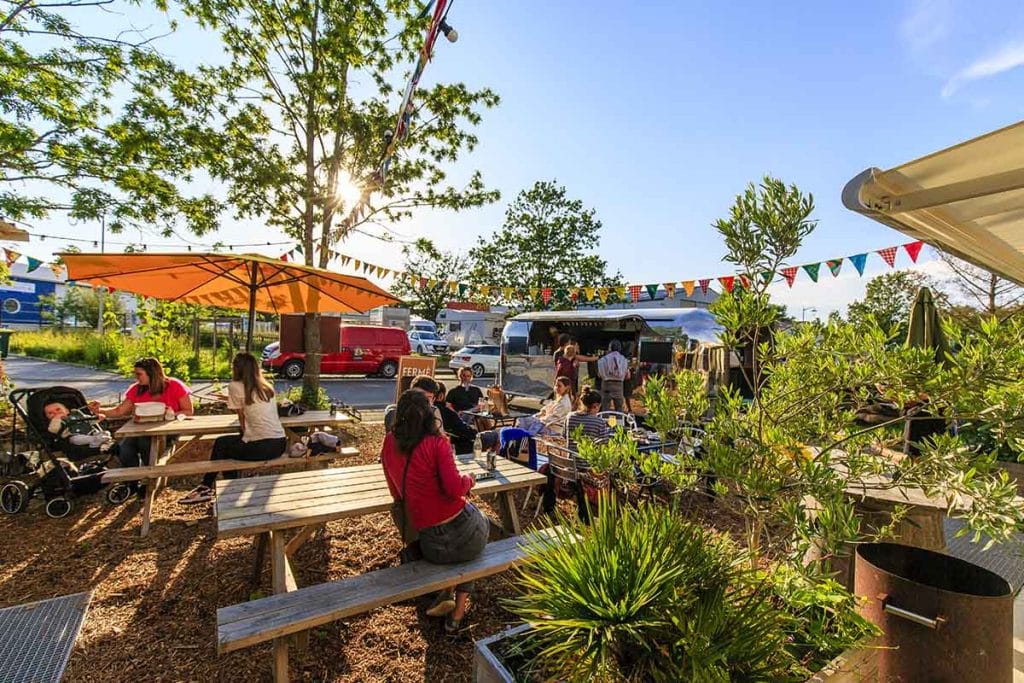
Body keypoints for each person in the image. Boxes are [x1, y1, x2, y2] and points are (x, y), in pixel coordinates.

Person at [381, 390, 489, 634]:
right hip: (459, 531)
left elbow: (394, 489)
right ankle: (458, 613)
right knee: (480, 533)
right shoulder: (437, 442)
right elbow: (453, 489)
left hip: (429, 541)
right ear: (429, 415)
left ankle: (447, 593)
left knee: (467, 544)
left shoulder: (390, 440)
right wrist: (469, 480)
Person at [179, 353, 287, 505]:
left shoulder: (235, 386)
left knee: (222, 445)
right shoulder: (266, 387)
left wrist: (244, 435)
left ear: (237, 369)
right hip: (280, 444)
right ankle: (225, 488)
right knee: (228, 445)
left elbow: (241, 417)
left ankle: (208, 487)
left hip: (261, 447)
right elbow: (250, 403)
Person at [94, 357, 193, 468]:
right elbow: (119, 411)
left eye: (139, 374)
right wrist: (98, 410)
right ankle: (134, 481)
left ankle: (149, 478)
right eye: (135, 374)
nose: (136, 377)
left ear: (152, 373)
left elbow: (188, 411)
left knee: (145, 443)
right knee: (124, 449)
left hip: (167, 430)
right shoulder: (136, 389)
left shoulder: (174, 385)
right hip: (140, 430)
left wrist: (168, 414)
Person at [434, 382, 497, 455]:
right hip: (459, 446)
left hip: (455, 435)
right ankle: (495, 460)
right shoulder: (447, 411)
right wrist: (474, 432)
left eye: (468, 376)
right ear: (441, 396)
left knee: (482, 421)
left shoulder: (423, 412)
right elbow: (465, 431)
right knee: (495, 435)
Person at [44, 401, 115, 452]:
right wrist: (56, 418)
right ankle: (95, 442)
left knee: (106, 432)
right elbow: (53, 429)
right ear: (47, 417)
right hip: (75, 436)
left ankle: (97, 439)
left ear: (67, 411)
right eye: (50, 413)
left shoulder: (76, 415)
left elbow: (89, 420)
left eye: (58, 409)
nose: (55, 413)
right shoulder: (55, 422)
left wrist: (97, 418)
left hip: (91, 433)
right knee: (76, 439)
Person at [597, 340, 629, 413]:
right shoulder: (624, 360)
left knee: (605, 407)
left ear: (609, 348)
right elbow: (627, 376)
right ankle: (620, 423)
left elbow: (599, 375)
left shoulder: (602, 360)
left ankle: (604, 422)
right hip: (619, 385)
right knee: (619, 407)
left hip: (606, 384)